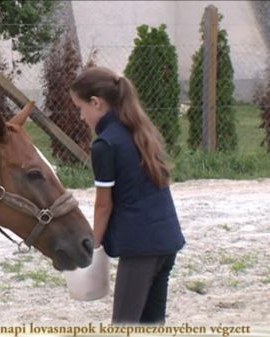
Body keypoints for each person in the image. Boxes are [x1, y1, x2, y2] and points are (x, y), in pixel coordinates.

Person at [70, 67, 185, 325]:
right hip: (166, 241)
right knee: (152, 325)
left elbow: (103, 206)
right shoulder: (138, 130)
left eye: (80, 107)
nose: (80, 116)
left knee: (124, 325)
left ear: (96, 103)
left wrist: (93, 245)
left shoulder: (105, 144)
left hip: (139, 248)